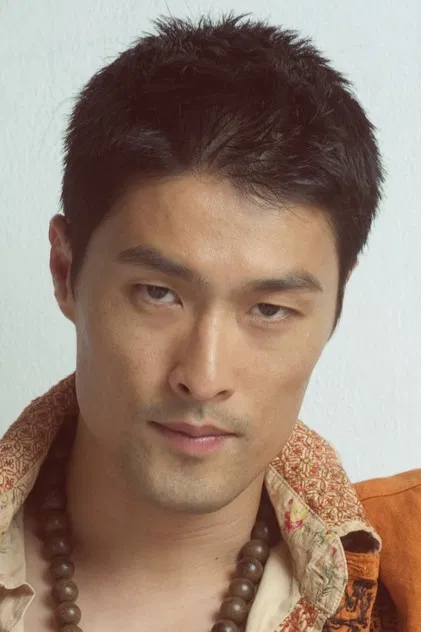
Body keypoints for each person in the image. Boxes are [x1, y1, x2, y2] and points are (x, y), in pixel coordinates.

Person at [0, 13, 419, 632]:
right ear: (66, 272)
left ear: (336, 306)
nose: (203, 377)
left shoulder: (408, 574)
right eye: (158, 294)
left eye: (270, 310)